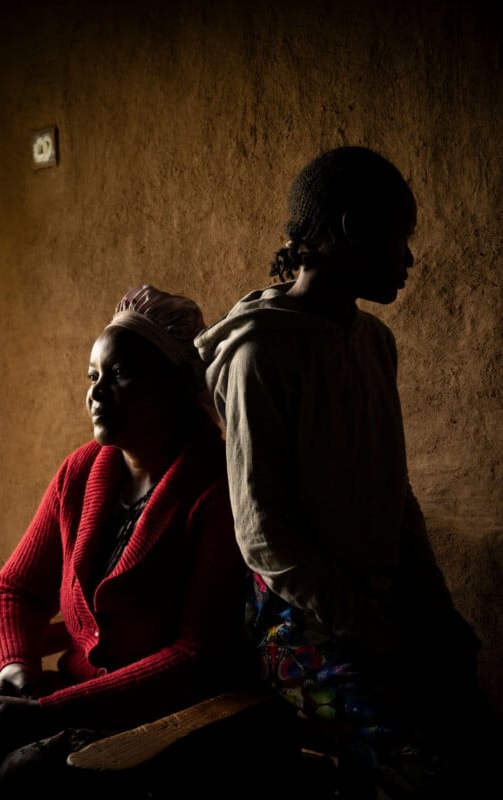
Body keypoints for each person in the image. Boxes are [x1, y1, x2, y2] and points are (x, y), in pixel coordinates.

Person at [194, 146, 500, 797]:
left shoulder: (373, 344)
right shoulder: (258, 355)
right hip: (299, 624)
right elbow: (265, 540)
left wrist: (434, 612)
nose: (409, 259)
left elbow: (396, 495)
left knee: (473, 720)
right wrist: (378, 630)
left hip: (378, 606)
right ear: (352, 232)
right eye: (399, 238)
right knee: (426, 766)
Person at [0, 284, 251, 798]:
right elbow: (13, 591)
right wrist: (15, 670)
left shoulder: (217, 488)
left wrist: (43, 713)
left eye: (118, 375)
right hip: (59, 712)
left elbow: (195, 657)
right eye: (92, 376)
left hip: (166, 732)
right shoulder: (81, 473)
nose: (95, 394)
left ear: (176, 384)